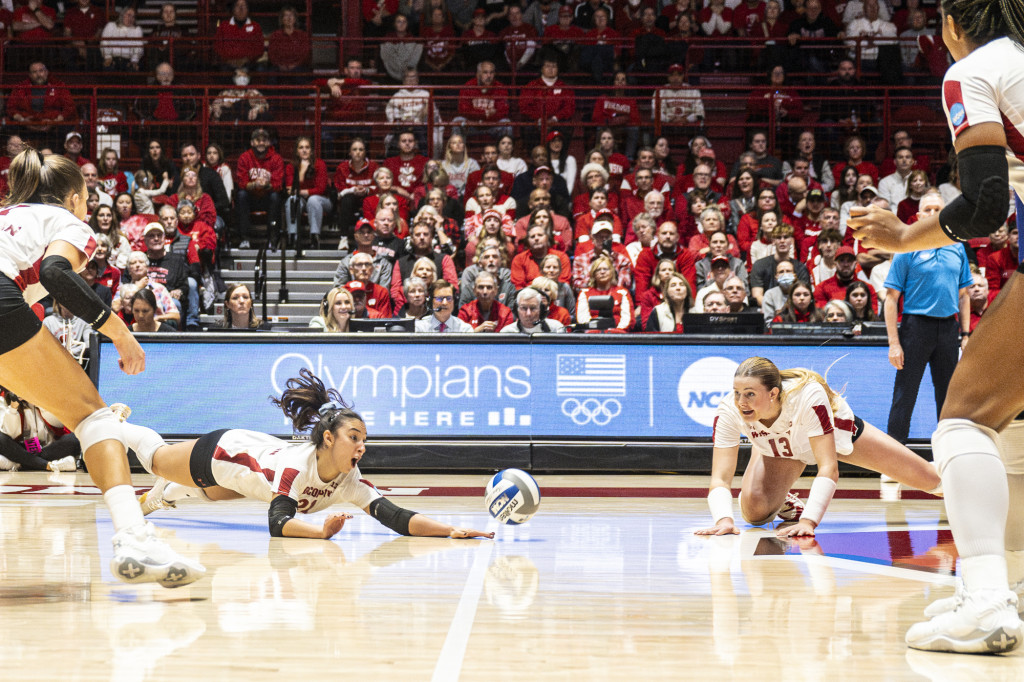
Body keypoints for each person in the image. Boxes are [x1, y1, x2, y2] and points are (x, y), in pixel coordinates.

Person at [848, 4, 1024, 650]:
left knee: (964, 421)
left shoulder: (972, 71)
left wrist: (901, 236)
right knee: (1008, 430)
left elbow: (983, 204)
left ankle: (984, 601)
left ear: (952, 24)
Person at [0, 149, 204, 585]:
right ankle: (133, 536)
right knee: (93, 417)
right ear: (76, 197)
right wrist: (120, 332)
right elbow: (57, 274)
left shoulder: (6, 215)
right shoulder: (64, 221)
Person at [123, 370, 494, 540]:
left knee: (220, 492)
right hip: (224, 453)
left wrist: (450, 530)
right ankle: (113, 426)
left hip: (247, 475)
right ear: (329, 439)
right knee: (156, 459)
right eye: (354, 437)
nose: (362, 446)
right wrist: (321, 532)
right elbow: (277, 524)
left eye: (364, 438)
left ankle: (161, 496)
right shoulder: (296, 468)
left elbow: (396, 517)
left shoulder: (351, 480)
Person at [695, 357, 942, 538]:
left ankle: (959, 471)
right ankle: (780, 485)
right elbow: (720, 478)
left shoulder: (807, 395)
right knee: (755, 512)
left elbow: (828, 467)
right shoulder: (729, 410)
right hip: (783, 447)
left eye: (749, 394)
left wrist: (809, 522)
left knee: (934, 482)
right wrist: (724, 519)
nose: (741, 402)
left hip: (834, 435)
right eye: (737, 392)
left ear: (772, 393)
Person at [0, 387, 80, 472]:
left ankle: (20, 464)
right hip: (19, 449)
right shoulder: (4, 398)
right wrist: (13, 408)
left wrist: (38, 402)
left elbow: (58, 425)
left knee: (74, 439)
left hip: (45, 449)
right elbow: (10, 434)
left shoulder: (46, 393)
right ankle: (49, 465)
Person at [235, 128, 284, 250]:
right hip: (251, 198)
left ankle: (273, 239)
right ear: (252, 143)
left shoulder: (276, 158)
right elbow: (241, 182)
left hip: (268, 197)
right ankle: (244, 239)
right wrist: (254, 184)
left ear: (269, 143)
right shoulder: (245, 158)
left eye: (264, 140)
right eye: (258, 140)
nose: (261, 143)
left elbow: (278, 184)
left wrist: (266, 185)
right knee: (241, 195)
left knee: (275, 196)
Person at [283, 136, 330, 251]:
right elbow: (289, 190)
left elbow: (321, 189)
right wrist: (301, 173)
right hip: (301, 200)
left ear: (312, 150)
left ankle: (314, 237)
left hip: (322, 200)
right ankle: (293, 237)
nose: (304, 150)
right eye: (301, 147)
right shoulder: (291, 166)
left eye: (307, 147)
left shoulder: (320, 164)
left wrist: (303, 191)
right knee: (292, 200)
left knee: (313, 200)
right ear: (296, 151)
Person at [213, 0, 265, 70]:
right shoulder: (223, 26)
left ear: (248, 10)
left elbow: (259, 48)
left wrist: (246, 59)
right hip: (228, 64)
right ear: (233, 10)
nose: (241, 9)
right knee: (222, 71)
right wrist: (229, 60)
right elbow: (217, 46)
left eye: (244, 6)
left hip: (249, 63)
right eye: (238, 6)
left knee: (261, 69)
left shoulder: (256, 26)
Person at [500, 286, 567, 333]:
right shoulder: (507, 332)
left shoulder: (556, 329)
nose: (528, 313)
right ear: (516, 310)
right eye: (524, 308)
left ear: (541, 309)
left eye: (533, 308)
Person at [100, 6, 143, 71]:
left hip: (128, 60)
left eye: (133, 17)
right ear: (122, 15)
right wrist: (108, 57)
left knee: (132, 70)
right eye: (129, 15)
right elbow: (104, 42)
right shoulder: (111, 25)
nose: (130, 18)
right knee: (108, 68)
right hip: (112, 58)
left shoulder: (137, 30)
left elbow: (139, 47)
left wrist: (134, 60)